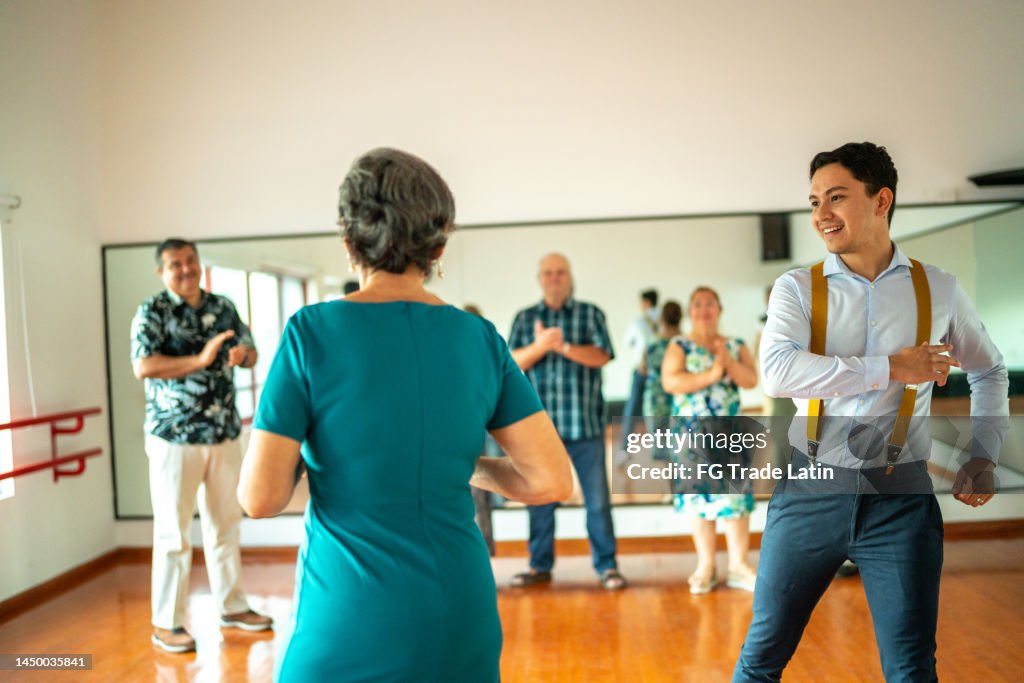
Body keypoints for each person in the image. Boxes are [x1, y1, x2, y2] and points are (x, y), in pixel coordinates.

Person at [236, 148, 573, 682]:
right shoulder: (479, 338)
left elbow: (260, 498)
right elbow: (550, 480)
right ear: (438, 245)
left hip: (348, 610)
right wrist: (467, 465)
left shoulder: (309, 334)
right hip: (459, 609)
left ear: (349, 241)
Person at [733, 142, 1008, 682]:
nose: (820, 215)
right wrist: (890, 367)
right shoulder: (797, 289)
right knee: (761, 659)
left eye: (836, 197)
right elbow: (780, 373)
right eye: (814, 201)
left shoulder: (940, 289)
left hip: (900, 500)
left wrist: (984, 452)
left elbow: (989, 370)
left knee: (910, 669)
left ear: (881, 200)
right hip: (809, 492)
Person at [131, 238, 273, 654]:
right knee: (174, 533)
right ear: (162, 271)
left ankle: (232, 607)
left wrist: (242, 356)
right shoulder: (151, 311)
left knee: (225, 526)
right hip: (173, 439)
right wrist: (202, 357)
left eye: (191, 261)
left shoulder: (223, 305)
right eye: (176, 264)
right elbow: (144, 366)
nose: (187, 269)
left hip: (223, 434)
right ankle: (167, 623)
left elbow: (252, 352)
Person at [507, 253, 627, 590]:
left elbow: (602, 355)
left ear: (569, 276)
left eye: (560, 272)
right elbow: (512, 363)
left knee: (597, 502)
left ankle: (607, 567)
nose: (555, 278)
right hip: (539, 431)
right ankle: (538, 566)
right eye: (548, 273)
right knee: (540, 501)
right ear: (540, 278)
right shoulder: (525, 318)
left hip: (585, 426)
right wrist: (542, 346)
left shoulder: (590, 314)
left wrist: (564, 346)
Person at [661, 287, 760, 594]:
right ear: (691, 311)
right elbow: (671, 382)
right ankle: (706, 566)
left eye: (710, 304)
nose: (704, 309)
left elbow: (751, 380)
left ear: (720, 309)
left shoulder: (736, 344)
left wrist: (728, 363)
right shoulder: (679, 346)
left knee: (735, 500)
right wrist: (712, 373)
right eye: (698, 304)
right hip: (692, 434)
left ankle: (738, 566)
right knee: (699, 500)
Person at [620, 289, 660, 456]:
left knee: (632, 408)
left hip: (642, 369)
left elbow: (627, 342)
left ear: (645, 302)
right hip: (660, 371)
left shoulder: (638, 322)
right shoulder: (663, 319)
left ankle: (624, 448)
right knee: (659, 408)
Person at [642, 300, 683, 458]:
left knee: (664, 451)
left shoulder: (652, 343)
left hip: (655, 400)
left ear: (662, 318)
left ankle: (673, 482)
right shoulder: (685, 343)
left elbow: (643, 368)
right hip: (679, 400)